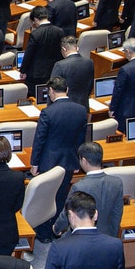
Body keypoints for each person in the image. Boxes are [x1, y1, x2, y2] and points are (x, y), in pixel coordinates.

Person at [31, 76, 89, 237]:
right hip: (69, 160)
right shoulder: (80, 110)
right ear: (67, 90)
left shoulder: (48, 112)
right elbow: (81, 138)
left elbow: (39, 140)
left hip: (48, 162)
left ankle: (42, 234)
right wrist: (78, 160)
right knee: (61, 197)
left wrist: (34, 163)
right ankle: (54, 231)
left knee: (45, 199)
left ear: (50, 91)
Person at [52, 142, 122, 239]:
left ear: (84, 160)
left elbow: (67, 214)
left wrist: (57, 228)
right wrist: (112, 239)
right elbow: (117, 215)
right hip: (106, 235)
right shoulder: (117, 183)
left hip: (81, 238)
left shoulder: (79, 187)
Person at [51, 37, 93, 107]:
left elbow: (53, 88)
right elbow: (90, 86)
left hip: (65, 107)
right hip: (83, 105)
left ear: (64, 49)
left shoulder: (60, 65)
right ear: (77, 48)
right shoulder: (89, 62)